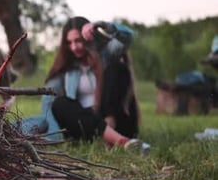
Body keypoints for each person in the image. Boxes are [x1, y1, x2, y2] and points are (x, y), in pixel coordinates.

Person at [40, 16, 148, 151]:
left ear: (88, 37)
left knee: (117, 68)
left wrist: (103, 25)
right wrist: (54, 137)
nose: (74, 47)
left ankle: (113, 132)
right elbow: (47, 99)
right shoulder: (67, 68)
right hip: (86, 125)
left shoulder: (106, 54)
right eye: (69, 43)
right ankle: (121, 141)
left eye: (78, 41)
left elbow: (127, 37)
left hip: (116, 119)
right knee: (59, 104)